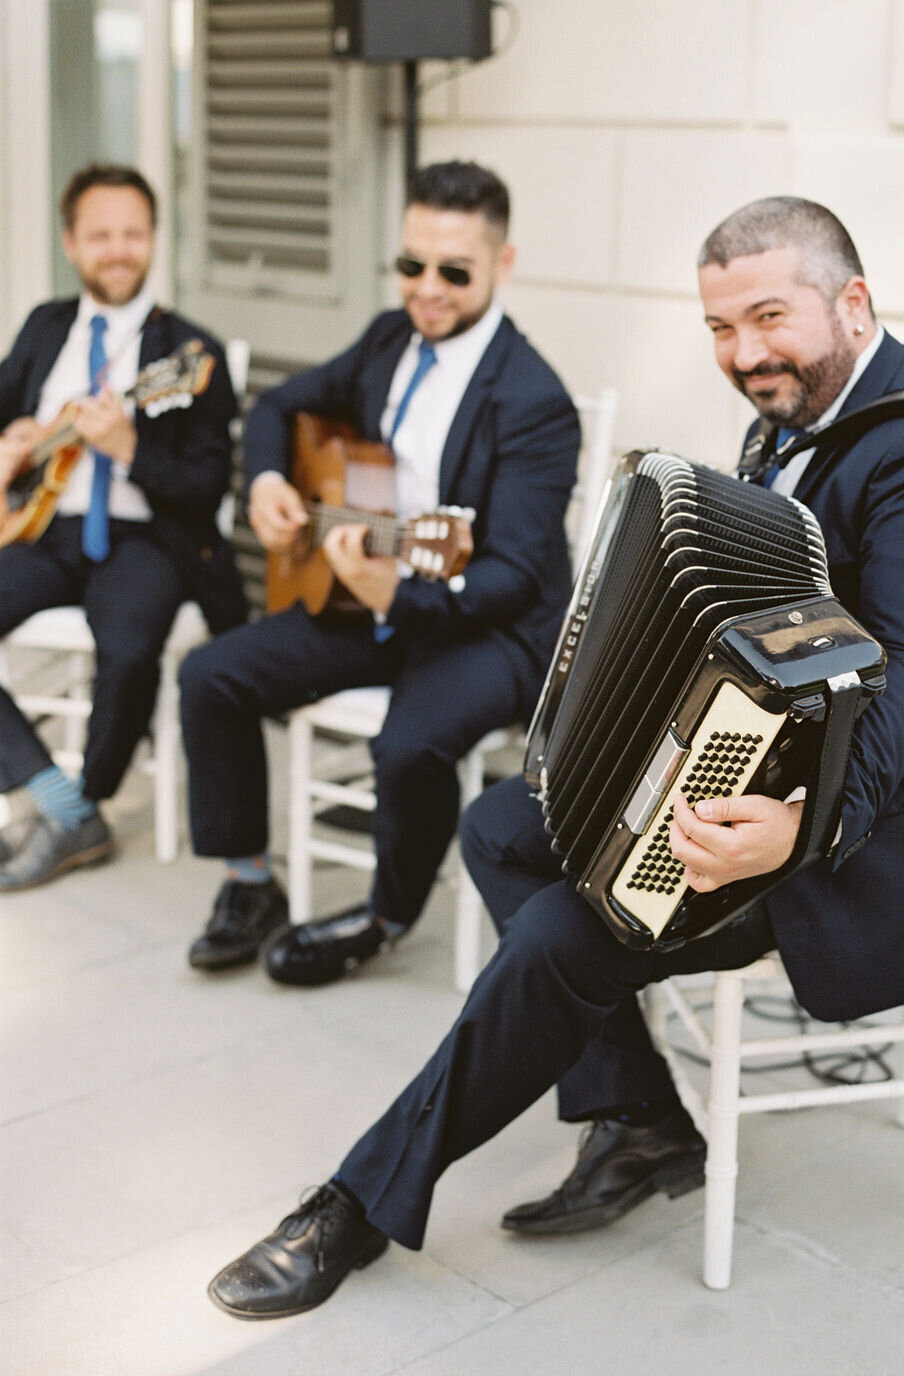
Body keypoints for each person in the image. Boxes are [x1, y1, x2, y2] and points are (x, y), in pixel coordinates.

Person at [205, 196, 904, 1321]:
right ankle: (639, 1113)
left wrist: (805, 824)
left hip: (888, 833)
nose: (743, 355)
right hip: (762, 777)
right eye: (720, 329)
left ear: (852, 302)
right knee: (499, 823)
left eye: (768, 318)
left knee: (559, 930)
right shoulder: (790, 419)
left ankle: (358, 1200)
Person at [181, 161, 580, 979]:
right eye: (410, 265)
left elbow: (514, 574)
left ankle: (384, 917)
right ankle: (249, 880)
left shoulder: (534, 401)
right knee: (209, 675)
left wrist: (398, 589)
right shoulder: (386, 340)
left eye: (453, 271)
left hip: (492, 628)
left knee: (409, 745)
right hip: (373, 599)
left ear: (502, 266)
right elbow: (276, 405)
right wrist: (263, 482)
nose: (426, 289)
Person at [0, 163, 243, 892]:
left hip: (149, 540)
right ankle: (60, 805)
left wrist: (129, 448)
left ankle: (89, 800)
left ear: (153, 242)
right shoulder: (46, 327)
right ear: (71, 243)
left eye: (132, 234)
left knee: (131, 646)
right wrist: (16, 443)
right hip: (43, 533)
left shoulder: (191, 356)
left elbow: (206, 489)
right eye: (100, 235)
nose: (118, 249)